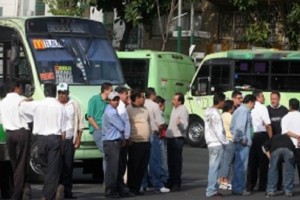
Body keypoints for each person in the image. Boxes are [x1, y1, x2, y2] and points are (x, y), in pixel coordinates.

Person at [20, 83, 67, 200]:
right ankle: (50, 192)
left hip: (41, 140)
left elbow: (21, 107)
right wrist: (63, 143)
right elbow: (64, 129)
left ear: (45, 92)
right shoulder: (60, 107)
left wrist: (27, 99)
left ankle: (48, 192)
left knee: (43, 165)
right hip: (55, 139)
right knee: (53, 168)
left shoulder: (37, 104)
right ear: (55, 92)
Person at [0, 79, 31, 200]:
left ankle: (21, 188)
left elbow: (2, 120)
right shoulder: (21, 100)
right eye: (21, 87)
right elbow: (29, 115)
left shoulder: (2, 102)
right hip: (21, 133)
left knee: (14, 164)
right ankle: (17, 194)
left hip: (9, 135)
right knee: (21, 165)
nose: (22, 89)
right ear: (16, 88)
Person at [57, 82, 84, 199]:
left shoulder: (74, 104)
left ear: (68, 93)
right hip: (56, 140)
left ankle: (67, 191)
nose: (62, 95)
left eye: (64, 93)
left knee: (68, 166)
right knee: (57, 166)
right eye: (60, 93)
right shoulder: (54, 104)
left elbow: (80, 123)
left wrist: (78, 138)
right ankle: (57, 190)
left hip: (69, 139)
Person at [144, 88, 169, 193]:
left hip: (142, 134)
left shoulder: (142, 104)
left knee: (143, 161)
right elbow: (160, 122)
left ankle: (143, 184)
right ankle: (158, 184)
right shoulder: (154, 105)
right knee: (155, 161)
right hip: (153, 134)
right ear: (153, 95)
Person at [126, 88, 151, 195]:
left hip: (146, 142)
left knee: (142, 166)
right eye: (142, 97)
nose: (144, 99)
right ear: (136, 98)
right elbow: (126, 124)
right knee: (134, 167)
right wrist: (129, 138)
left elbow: (148, 122)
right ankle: (131, 188)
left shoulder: (145, 109)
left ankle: (137, 188)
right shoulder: (129, 109)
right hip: (135, 142)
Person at [246, 90, 272, 192]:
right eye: (262, 97)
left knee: (252, 162)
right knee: (263, 162)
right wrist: (271, 139)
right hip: (262, 136)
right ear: (257, 97)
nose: (264, 99)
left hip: (251, 136)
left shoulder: (248, 108)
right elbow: (267, 124)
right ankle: (262, 186)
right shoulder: (262, 108)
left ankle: (250, 185)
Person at [231, 94, 256, 196]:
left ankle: (236, 187)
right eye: (254, 103)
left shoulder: (239, 110)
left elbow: (232, 127)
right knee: (241, 166)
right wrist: (243, 139)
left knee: (238, 165)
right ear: (250, 102)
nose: (254, 106)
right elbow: (240, 127)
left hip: (240, 142)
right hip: (243, 143)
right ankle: (239, 188)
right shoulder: (244, 111)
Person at [102, 91, 125, 198]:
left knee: (114, 167)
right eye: (114, 100)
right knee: (112, 168)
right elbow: (121, 126)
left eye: (117, 99)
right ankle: (110, 190)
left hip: (113, 142)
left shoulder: (112, 110)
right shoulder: (111, 112)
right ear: (109, 101)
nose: (116, 102)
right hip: (111, 142)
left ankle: (116, 189)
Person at [204, 92, 228, 197]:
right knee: (215, 168)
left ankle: (212, 189)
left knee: (212, 167)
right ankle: (211, 190)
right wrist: (225, 142)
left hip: (210, 142)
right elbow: (219, 131)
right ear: (220, 101)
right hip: (217, 143)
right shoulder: (217, 114)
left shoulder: (208, 111)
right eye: (224, 101)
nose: (224, 104)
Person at [87, 82, 112, 173]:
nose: (112, 93)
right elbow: (90, 116)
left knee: (108, 154)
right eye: (111, 90)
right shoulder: (94, 99)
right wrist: (97, 128)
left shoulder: (108, 102)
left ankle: (108, 180)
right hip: (99, 129)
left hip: (107, 129)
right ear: (105, 91)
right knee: (106, 153)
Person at [166, 92, 189, 192]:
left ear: (180, 101)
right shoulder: (174, 108)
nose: (172, 101)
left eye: (175, 100)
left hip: (177, 138)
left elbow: (184, 126)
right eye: (173, 99)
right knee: (170, 161)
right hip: (171, 137)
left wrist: (180, 124)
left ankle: (176, 183)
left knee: (176, 162)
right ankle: (171, 180)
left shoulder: (183, 109)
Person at [267, 91, 288, 191]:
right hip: (272, 141)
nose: (273, 100)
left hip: (282, 141)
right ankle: (272, 185)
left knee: (281, 164)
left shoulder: (284, 110)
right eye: (272, 98)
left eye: (275, 99)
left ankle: (279, 185)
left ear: (279, 99)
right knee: (273, 164)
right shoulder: (267, 109)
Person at [114, 86, 132, 196]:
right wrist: (125, 137)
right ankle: (119, 188)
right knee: (119, 165)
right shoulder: (120, 107)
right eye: (126, 94)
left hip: (123, 139)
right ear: (120, 94)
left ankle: (120, 188)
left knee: (122, 165)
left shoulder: (123, 106)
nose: (128, 96)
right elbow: (121, 125)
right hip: (121, 140)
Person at [281, 98, 300, 186]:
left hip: (289, 146)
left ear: (290, 106)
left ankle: (288, 189)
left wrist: (296, 136)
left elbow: (285, 132)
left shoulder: (285, 117)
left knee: (289, 169)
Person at [218, 100, 235, 190]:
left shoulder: (222, 115)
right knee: (227, 162)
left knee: (223, 161)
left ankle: (221, 180)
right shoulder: (229, 116)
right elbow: (233, 128)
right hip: (230, 140)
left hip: (223, 141)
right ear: (230, 107)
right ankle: (224, 181)